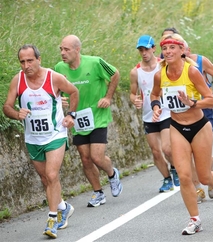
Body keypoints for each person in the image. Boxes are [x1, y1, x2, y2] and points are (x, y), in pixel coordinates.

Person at [150, 33, 213, 235]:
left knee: (203, 176)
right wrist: (156, 106)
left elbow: (211, 100)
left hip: (199, 126)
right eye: (165, 49)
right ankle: (195, 220)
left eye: (172, 48)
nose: (168, 52)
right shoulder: (160, 74)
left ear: (182, 50)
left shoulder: (191, 72)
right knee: (184, 177)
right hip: (176, 127)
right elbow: (155, 93)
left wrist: (192, 103)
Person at [3, 44, 78, 238]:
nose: (26, 65)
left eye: (30, 60)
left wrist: (71, 115)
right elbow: (7, 107)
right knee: (45, 178)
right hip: (33, 137)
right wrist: (16, 113)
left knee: (52, 175)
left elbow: (74, 92)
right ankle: (63, 206)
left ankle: (52, 220)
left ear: (39, 59)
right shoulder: (17, 81)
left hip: (55, 135)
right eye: (22, 61)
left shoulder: (53, 77)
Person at [55, 35, 123, 207]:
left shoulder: (95, 63)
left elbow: (115, 74)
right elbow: (57, 89)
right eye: (61, 49)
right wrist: (60, 99)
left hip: (98, 115)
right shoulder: (59, 68)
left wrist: (108, 97)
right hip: (77, 117)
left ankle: (112, 174)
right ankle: (98, 192)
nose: (63, 53)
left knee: (97, 157)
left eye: (67, 49)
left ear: (77, 50)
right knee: (85, 158)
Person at [129, 35, 179, 192]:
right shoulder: (136, 72)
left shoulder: (163, 66)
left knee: (167, 149)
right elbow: (132, 93)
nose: (144, 53)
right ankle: (166, 179)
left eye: (146, 49)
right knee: (156, 152)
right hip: (148, 115)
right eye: (141, 50)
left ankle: (175, 169)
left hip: (165, 112)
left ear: (153, 49)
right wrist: (134, 100)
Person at [182, 40, 213, 203]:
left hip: (204, 110)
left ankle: (209, 177)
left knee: (203, 153)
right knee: (190, 154)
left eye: (183, 49)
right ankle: (198, 189)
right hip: (184, 113)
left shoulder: (200, 61)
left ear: (187, 49)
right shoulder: (169, 68)